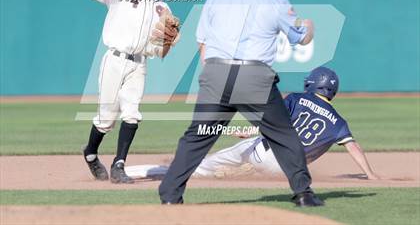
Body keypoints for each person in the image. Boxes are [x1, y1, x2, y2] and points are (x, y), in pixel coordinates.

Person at [158, 0, 322, 207]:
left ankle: (169, 196)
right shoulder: (275, 0)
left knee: (198, 135)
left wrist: (210, 75)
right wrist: (310, 28)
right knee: (282, 134)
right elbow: (300, 39)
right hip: (254, 76)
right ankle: (303, 194)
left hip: (216, 72)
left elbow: (202, 41)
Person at [127, 67, 379, 180]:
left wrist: (245, 131)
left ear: (312, 83)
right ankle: (240, 170)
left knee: (198, 167)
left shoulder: (297, 98)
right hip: (288, 172)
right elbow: (353, 147)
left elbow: (272, 122)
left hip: (263, 152)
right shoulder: (338, 122)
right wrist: (371, 174)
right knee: (245, 163)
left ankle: (133, 172)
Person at [64, 0, 180, 184]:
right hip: (114, 61)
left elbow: (167, 40)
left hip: (139, 65)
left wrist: (172, 37)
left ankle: (119, 164)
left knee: (132, 114)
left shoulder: (162, 6)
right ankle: (90, 153)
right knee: (106, 120)